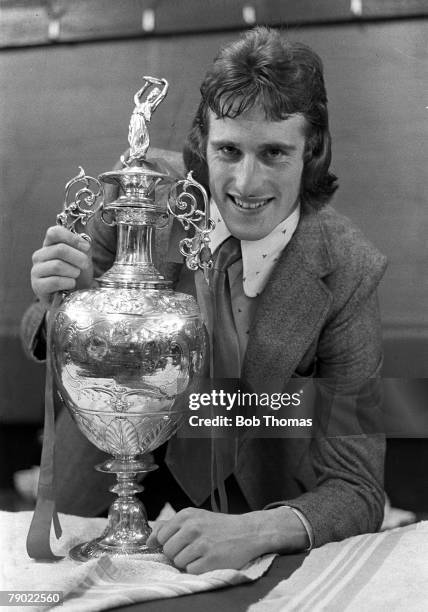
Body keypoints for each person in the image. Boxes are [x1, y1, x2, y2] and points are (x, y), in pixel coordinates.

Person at [23, 27, 387, 573]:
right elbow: (44, 327)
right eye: (228, 150)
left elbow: (358, 487)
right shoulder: (133, 196)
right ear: (203, 142)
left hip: (247, 500)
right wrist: (65, 305)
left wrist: (257, 529)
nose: (246, 180)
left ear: (311, 152)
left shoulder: (350, 271)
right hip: (98, 480)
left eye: (274, 153)